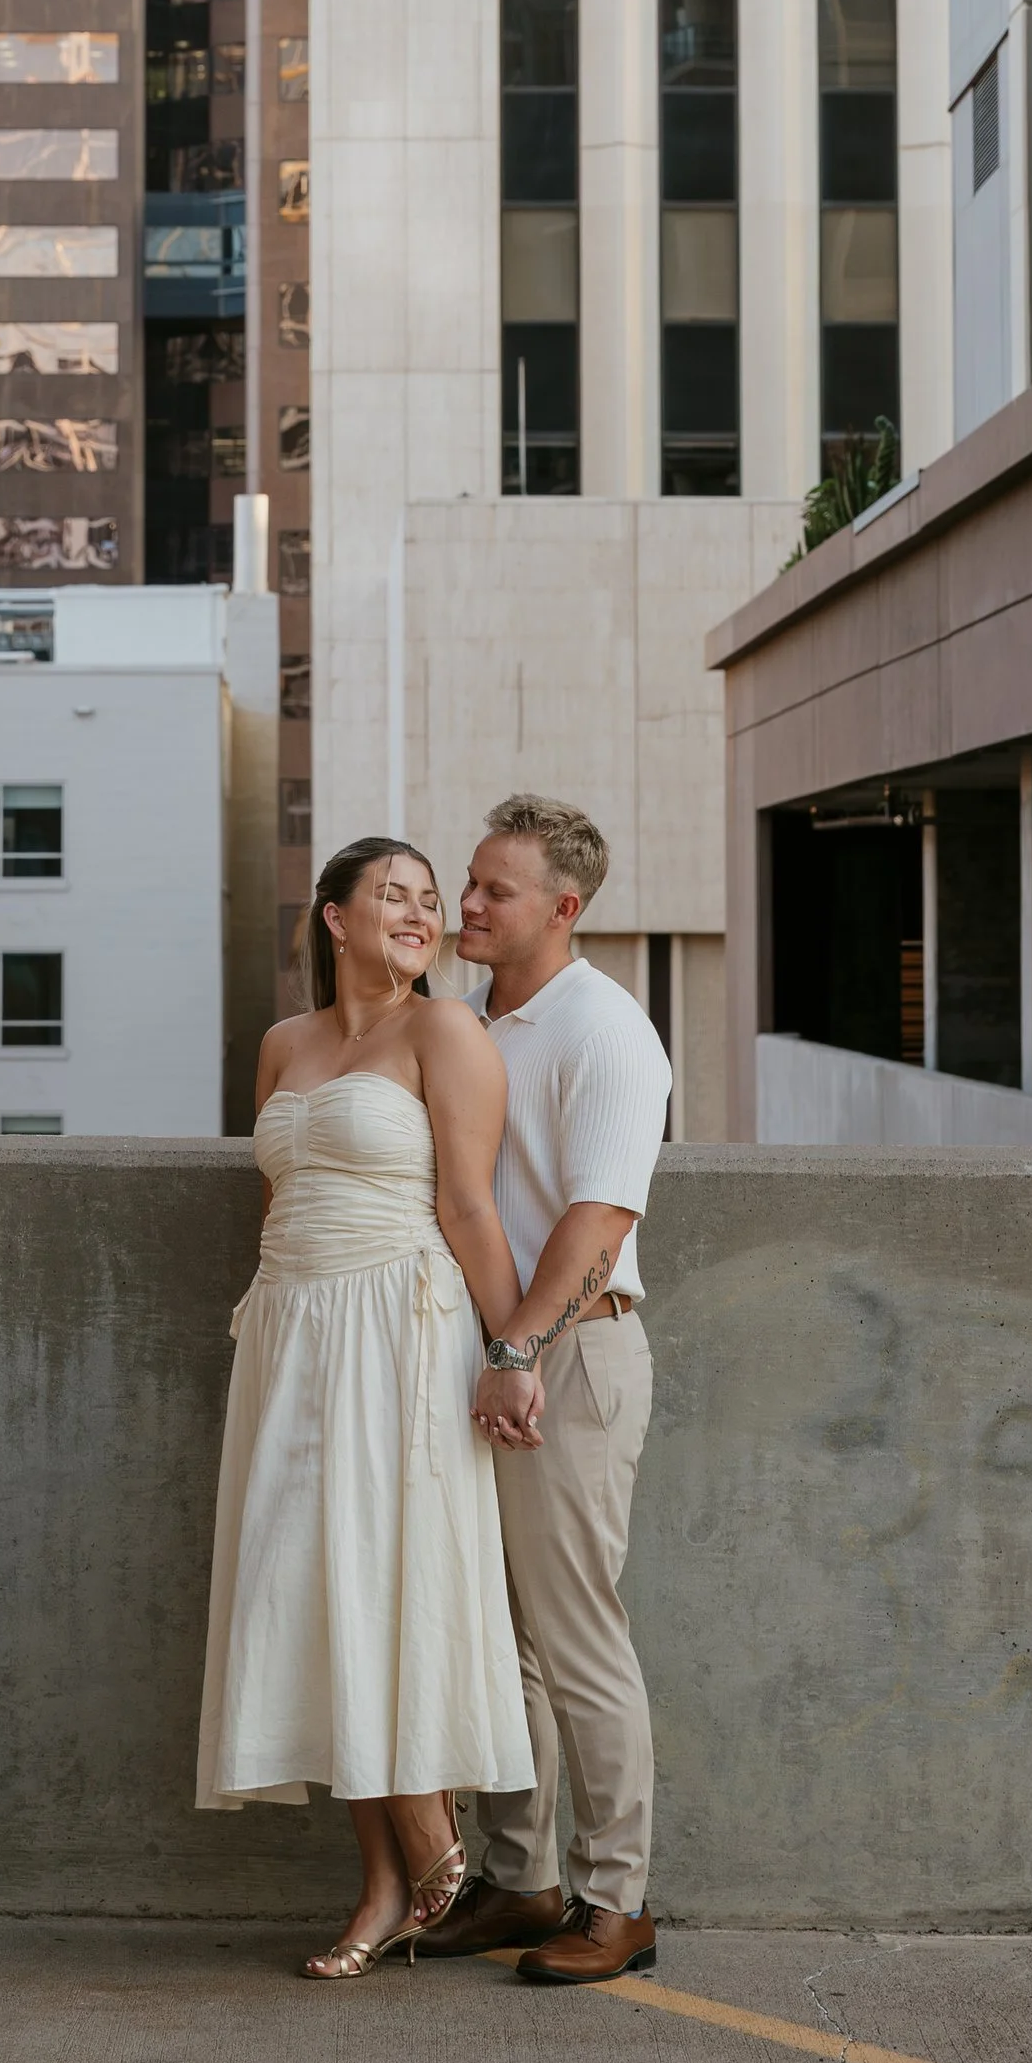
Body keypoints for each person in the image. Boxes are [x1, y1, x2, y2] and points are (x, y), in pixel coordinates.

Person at [195, 835, 535, 1978]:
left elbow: (473, 1208)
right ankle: (385, 1883)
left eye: (428, 900)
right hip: (289, 1327)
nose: (418, 912)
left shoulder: (448, 1030)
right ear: (332, 917)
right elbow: (279, 1189)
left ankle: (424, 1847)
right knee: (307, 1590)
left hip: (401, 1324)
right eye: (391, 894)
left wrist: (512, 1349)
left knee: (389, 1575)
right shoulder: (284, 1044)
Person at [417, 794, 673, 1988]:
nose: (465, 904)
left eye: (492, 891)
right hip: (489, 1356)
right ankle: (520, 1883)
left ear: (562, 909)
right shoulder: (472, 1021)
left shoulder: (604, 1030)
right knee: (502, 1642)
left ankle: (617, 1902)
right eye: (465, 882)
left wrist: (519, 1348)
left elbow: (599, 1217)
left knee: (576, 1641)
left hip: (567, 1355)